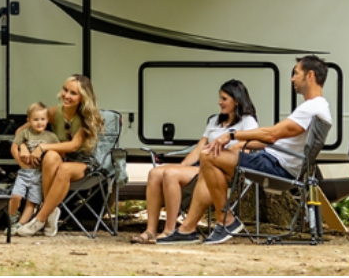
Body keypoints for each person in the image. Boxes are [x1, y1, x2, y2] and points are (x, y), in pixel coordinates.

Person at [158, 55, 333, 245]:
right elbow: (276, 140)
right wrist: (241, 144)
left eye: (296, 73)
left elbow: (272, 134)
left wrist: (232, 135)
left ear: (310, 76)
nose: (292, 78)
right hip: (273, 159)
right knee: (211, 159)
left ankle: (225, 220)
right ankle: (187, 229)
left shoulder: (311, 108)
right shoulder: (318, 107)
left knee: (208, 155)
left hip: (276, 167)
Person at [130, 80, 259, 244]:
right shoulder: (215, 120)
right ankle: (150, 230)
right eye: (220, 98)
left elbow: (245, 151)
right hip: (204, 165)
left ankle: (169, 230)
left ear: (237, 100)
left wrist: (220, 156)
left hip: (224, 171)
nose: (220, 102)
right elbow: (199, 149)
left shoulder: (247, 121)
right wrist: (182, 167)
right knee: (155, 173)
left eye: (224, 98)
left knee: (170, 174)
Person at [17, 75, 105, 237]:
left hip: (82, 162)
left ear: (83, 97)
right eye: (65, 90)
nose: (67, 95)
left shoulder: (86, 117)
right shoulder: (53, 112)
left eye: (73, 93)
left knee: (62, 168)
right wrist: (23, 147)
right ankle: (51, 211)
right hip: (59, 159)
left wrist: (42, 146)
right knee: (51, 157)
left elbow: (74, 146)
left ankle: (40, 218)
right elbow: (21, 132)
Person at [8, 102, 61, 233]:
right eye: (35, 119)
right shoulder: (25, 133)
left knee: (31, 203)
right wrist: (20, 161)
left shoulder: (51, 137)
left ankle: (20, 225)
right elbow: (14, 147)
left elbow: (59, 152)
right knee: (15, 196)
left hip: (39, 176)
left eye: (42, 119)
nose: (39, 122)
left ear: (48, 120)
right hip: (24, 173)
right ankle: (12, 218)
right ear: (29, 120)